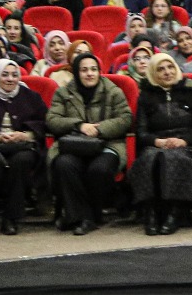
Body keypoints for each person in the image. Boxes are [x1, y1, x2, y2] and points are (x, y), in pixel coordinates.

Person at [46, 52, 132, 235]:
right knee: (64, 164)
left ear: (99, 71)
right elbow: (52, 120)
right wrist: (79, 125)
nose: (89, 74)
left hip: (108, 143)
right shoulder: (64, 93)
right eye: (84, 70)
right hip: (74, 144)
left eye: (93, 69)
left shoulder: (113, 91)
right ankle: (85, 217)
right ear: (77, 73)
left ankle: (79, 216)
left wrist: (99, 129)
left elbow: (125, 119)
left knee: (98, 169)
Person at [131, 52, 192, 236]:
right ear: (153, 73)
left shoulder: (191, 90)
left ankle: (174, 213)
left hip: (188, 144)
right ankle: (151, 214)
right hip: (157, 144)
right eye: (161, 69)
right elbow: (141, 131)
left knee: (173, 158)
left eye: (170, 67)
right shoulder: (146, 95)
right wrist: (157, 142)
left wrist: (183, 140)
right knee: (150, 158)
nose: (167, 72)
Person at [0, 59, 47, 236]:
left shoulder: (31, 97)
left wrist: (25, 135)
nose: (10, 79)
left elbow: (45, 123)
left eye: (14, 75)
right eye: (4, 75)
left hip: (23, 146)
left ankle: (11, 219)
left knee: (22, 161)